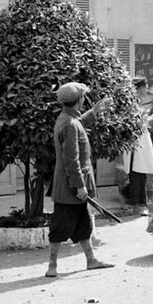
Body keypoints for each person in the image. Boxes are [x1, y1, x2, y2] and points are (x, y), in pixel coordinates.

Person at [46, 82, 114, 278]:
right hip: (71, 189)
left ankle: (91, 260)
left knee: (84, 225)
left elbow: (78, 124)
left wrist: (94, 112)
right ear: (80, 100)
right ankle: (52, 266)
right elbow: (71, 161)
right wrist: (79, 186)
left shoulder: (66, 119)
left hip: (73, 188)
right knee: (59, 227)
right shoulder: (69, 124)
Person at [121, 76, 153, 216]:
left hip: (141, 142)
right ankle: (136, 204)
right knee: (136, 173)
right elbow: (132, 124)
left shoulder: (139, 104)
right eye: (145, 86)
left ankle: (140, 203)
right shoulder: (130, 105)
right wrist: (148, 120)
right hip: (135, 144)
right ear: (137, 89)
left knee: (141, 173)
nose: (147, 89)